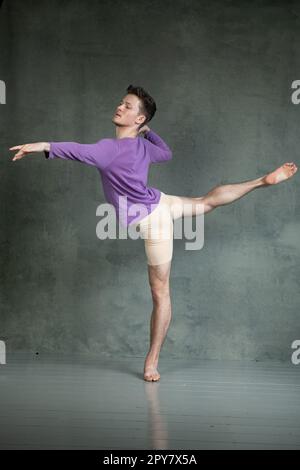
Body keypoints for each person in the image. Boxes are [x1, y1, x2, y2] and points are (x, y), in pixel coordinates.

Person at [9, 84, 298, 382]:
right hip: (160, 202)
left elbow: (71, 149)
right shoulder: (144, 146)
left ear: (138, 118)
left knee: (160, 293)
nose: (120, 107)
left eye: (128, 106)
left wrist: (38, 146)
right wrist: (147, 132)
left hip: (154, 221)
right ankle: (261, 181)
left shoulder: (107, 149)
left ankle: (151, 362)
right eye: (121, 102)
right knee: (206, 202)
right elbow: (166, 152)